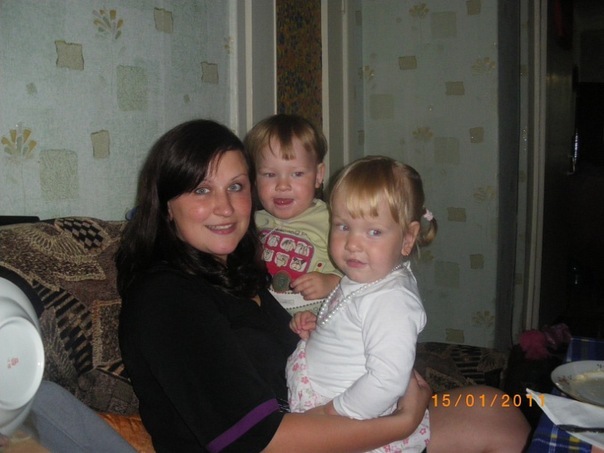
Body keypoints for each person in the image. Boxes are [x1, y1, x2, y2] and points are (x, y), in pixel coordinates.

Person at [116, 118, 530, 452]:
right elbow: (262, 441)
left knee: (496, 409)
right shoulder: (166, 299)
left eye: (236, 187)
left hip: (321, 408)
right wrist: (401, 423)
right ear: (166, 205)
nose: (225, 207)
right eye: (202, 190)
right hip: (290, 441)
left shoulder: (239, 270)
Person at [287, 156, 435, 452]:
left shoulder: (392, 301)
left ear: (408, 238)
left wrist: (332, 412)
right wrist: (321, 330)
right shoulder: (367, 276)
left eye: (374, 231)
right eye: (343, 226)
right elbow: (352, 323)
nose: (353, 244)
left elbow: (386, 381)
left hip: (348, 423)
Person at [245, 114, 341, 314]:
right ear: (254, 178)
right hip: (264, 319)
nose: (282, 185)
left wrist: (332, 281)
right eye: (270, 174)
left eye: (297, 174)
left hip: (318, 321)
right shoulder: (250, 222)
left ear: (318, 175)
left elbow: (363, 270)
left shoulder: (333, 220)